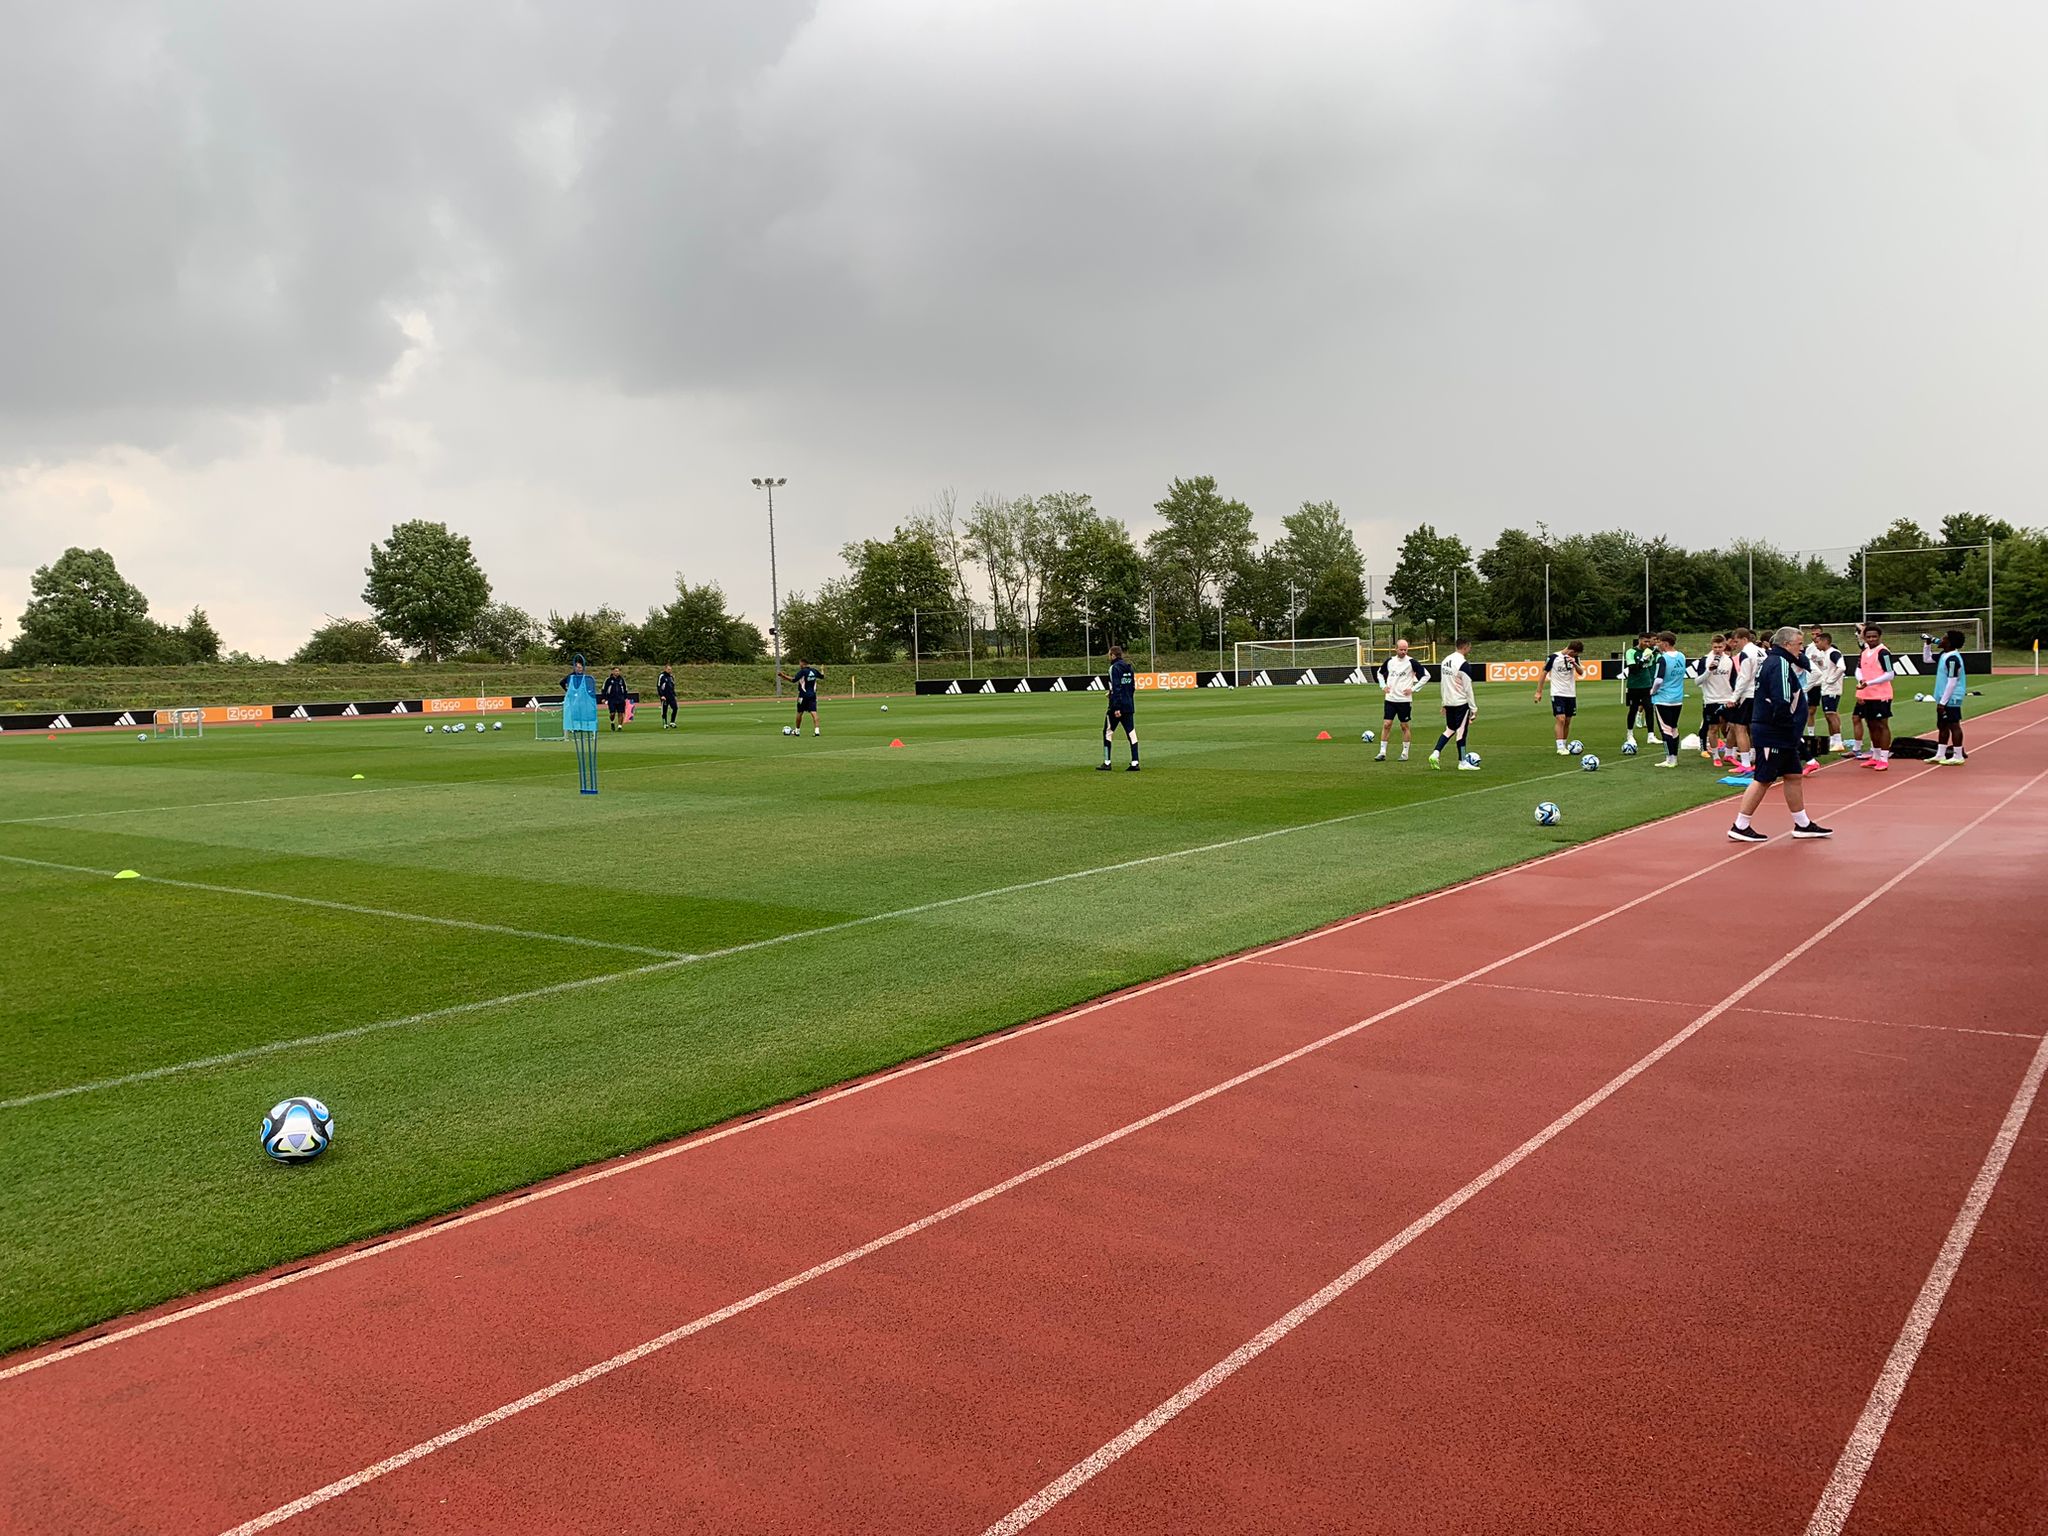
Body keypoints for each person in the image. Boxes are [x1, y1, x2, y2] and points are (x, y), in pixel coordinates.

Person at [1729, 627, 1833, 842]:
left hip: (1782, 732)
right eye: (1799, 643)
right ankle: (1740, 825)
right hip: (1774, 731)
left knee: (1794, 775)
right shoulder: (1779, 664)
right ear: (1787, 644)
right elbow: (1782, 699)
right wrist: (1788, 725)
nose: (1802, 648)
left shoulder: (1778, 661)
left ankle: (1802, 824)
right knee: (1763, 778)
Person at [1429, 639, 1480, 770]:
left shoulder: (1446, 660)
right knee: (1461, 732)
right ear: (1466, 647)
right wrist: (1473, 708)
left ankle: (1435, 753)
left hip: (1449, 701)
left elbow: (1444, 683)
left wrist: (1444, 703)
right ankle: (1462, 762)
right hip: (1460, 702)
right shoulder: (1463, 664)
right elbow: (1468, 688)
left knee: (1450, 729)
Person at [1374, 639, 1428, 762]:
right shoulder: (1390, 661)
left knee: (1404, 726)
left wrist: (1413, 689)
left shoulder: (1411, 662)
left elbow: (1426, 675)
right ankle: (1382, 752)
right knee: (1387, 724)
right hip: (1390, 699)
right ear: (1396, 649)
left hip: (1404, 700)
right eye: (1401, 649)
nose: (1403, 652)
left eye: (1405, 649)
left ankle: (1405, 753)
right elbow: (1380, 673)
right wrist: (1383, 686)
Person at [1852, 624, 1895, 771]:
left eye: (1874, 636)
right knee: (1871, 724)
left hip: (1881, 695)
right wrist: (1861, 681)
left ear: (1879, 637)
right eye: (1869, 636)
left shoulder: (1883, 652)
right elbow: (1858, 669)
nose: (1871, 639)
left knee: (1882, 725)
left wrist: (1869, 682)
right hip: (1867, 694)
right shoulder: (1864, 652)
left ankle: (1884, 758)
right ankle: (1875, 756)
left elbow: (1890, 674)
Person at [1533, 640, 1585, 755]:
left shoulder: (1574, 658)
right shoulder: (1553, 657)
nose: (1576, 656)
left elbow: (1581, 672)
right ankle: (1560, 747)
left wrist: (1575, 663)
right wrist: (1538, 692)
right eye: (1575, 654)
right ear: (1571, 651)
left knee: (1567, 721)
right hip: (1557, 693)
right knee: (1560, 719)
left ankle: (1564, 745)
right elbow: (1543, 673)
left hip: (1570, 693)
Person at [1724, 626, 1763, 776]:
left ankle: (1746, 763)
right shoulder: (1762, 651)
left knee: (1739, 727)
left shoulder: (1746, 653)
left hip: (1749, 694)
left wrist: (1734, 697)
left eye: (1736, 641)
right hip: (1760, 693)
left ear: (1744, 639)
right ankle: (1757, 758)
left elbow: (1744, 677)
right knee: (1755, 727)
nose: (1734, 645)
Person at [1692, 635, 1734, 763]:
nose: (1717, 649)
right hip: (1711, 700)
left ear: (1725, 646)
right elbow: (1697, 681)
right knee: (1713, 728)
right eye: (1715, 647)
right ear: (1711, 646)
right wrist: (1708, 671)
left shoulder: (1729, 660)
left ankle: (1729, 753)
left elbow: (1732, 680)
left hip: (1727, 699)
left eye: (1720, 647)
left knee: (1734, 727)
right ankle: (1716, 756)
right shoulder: (1705, 660)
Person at [1804, 629, 1847, 756]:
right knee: (1828, 715)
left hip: (1832, 689)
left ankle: (1838, 741)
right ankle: (1833, 740)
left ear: (1824, 641)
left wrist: (1831, 680)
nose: (1816, 645)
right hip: (1825, 688)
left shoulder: (1834, 653)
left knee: (1831, 714)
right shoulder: (1825, 654)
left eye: (1818, 642)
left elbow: (1842, 667)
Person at [1649, 631, 1688, 767]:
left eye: (1659, 642)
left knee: (1666, 729)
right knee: (1674, 728)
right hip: (1677, 698)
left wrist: (1652, 691)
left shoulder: (1663, 658)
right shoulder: (1681, 656)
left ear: (1665, 643)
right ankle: (1674, 757)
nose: (1657, 644)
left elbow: (1659, 680)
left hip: (1663, 698)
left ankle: (1670, 759)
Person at [1099, 643, 1139, 771]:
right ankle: (1135, 762)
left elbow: (1116, 687)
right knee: (1131, 733)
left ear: (1112, 655)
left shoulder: (1114, 668)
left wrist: (1116, 707)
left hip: (1116, 706)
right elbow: (1132, 687)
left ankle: (1107, 762)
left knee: (1107, 732)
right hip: (1129, 705)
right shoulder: (1129, 667)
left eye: (1109, 654)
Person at [1933, 629, 1968, 764]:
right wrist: (1927, 644)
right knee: (1942, 725)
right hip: (1943, 695)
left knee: (1954, 725)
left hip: (1951, 697)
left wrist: (1943, 702)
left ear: (1949, 642)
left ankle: (1958, 755)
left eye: (1944, 638)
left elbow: (1952, 681)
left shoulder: (1953, 659)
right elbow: (1927, 659)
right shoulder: (1944, 654)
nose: (1941, 639)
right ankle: (1940, 754)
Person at [1621, 633, 1657, 749]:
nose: (1647, 644)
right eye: (1645, 642)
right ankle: (1630, 734)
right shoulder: (1631, 652)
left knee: (1649, 708)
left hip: (1646, 684)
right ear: (1640, 640)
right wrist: (1642, 660)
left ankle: (1651, 735)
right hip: (1634, 685)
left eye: (1648, 642)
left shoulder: (1649, 652)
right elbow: (1633, 669)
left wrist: (1647, 658)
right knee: (1633, 709)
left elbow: (1648, 666)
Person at [779, 659, 825, 735]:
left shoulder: (802, 671)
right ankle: (817, 731)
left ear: (803, 664)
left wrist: (783, 676)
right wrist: (822, 670)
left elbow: (793, 680)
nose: (799, 665)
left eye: (800, 663)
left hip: (803, 696)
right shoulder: (813, 671)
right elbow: (822, 676)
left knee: (799, 712)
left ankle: (797, 731)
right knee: (814, 712)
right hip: (813, 695)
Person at [599, 666, 630, 731]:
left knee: (621, 713)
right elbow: (604, 689)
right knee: (612, 713)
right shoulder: (608, 680)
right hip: (611, 699)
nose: (617, 672)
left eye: (618, 671)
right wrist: (603, 698)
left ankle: (619, 726)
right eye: (616, 671)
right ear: (612, 672)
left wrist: (626, 697)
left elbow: (625, 689)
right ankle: (612, 722)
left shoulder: (621, 680)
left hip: (620, 698)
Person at [656, 665, 679, 729]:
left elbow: (672, 686)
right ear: (665, 669)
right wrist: (661, 695)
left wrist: (674, 694)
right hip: (665, 696)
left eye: (670, 669)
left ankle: (672, 722)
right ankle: (665, 723)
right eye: (668, 669)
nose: (670, 670)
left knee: (675, 708)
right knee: (664, 710)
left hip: (671, 695)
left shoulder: (671, 677)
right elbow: (658, 686)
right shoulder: (662, 676)